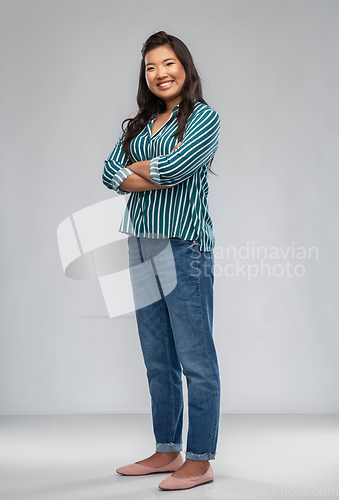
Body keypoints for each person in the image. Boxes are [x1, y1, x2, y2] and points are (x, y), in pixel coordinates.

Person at [102, 30, 221, 491]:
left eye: (167, 63)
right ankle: (167, 449)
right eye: (151, 67)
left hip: (183, 246)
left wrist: (138, 169)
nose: (159, 74)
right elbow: (109, 173)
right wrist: (141, 170)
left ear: (185, 67)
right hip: (139, 245)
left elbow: (175, 171)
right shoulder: (136, 124)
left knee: (196, 359)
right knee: (158, 359)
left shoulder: (203, 118)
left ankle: (200, 459)